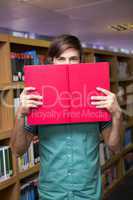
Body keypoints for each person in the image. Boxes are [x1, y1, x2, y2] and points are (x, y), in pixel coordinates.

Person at [10, 34, 122, 200]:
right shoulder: (38, 96)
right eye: (61, 59)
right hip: (52, 194)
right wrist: (20, 114)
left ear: (81, 61)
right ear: (52, 62)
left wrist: (117, 114)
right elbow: (17, 150)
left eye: (73, 59)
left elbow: (114, 147)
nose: (67, 64)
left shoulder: (96, 95)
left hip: (88, 193)